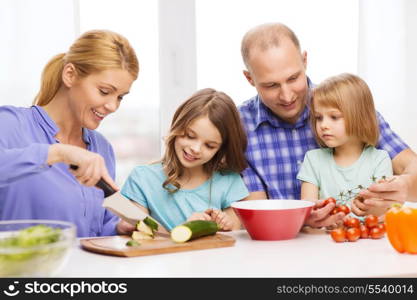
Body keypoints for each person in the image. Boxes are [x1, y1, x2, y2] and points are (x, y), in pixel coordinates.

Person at [238, 23, 416, 228]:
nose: (287, 96)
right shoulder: (239, 127)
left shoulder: (347, 106)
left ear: (305, 61)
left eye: (293, 78)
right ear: (250, 78)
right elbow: (256, 214)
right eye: (271, 85)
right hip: (283, 247)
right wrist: (302, 217)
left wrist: (405, 185)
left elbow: (411, 167)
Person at [0, 30, 138, 237]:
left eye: (120, 97)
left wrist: (118, 227)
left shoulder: (102, 148)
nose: (112, 106)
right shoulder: (10, 125)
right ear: (70, 75)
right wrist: (58, 153)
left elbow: (97, 226)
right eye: (104, 91)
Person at [121, 88, 249, 231]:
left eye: (209, 145)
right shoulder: (142, 178)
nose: (196, 148)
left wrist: (224, 223)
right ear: (177, 125)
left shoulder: (229, 181)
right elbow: (140, 234)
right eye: (190, 136)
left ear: (221, 148)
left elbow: (234, 231)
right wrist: (186, 229)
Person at [297, 73, 393, 219]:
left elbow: (384, 210)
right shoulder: (313, 159)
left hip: (367, 239)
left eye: (334, 117)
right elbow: (308, 210)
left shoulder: (379, 159)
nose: (323, 125)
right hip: (323, 239)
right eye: (319, 118)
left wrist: (369, 207)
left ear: (360, 117)